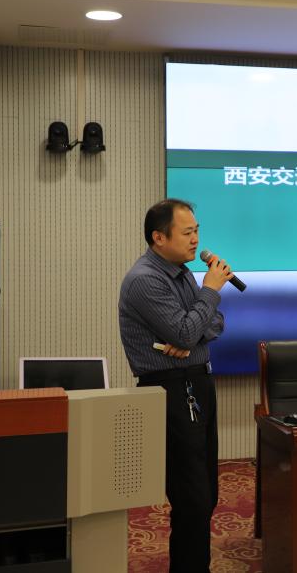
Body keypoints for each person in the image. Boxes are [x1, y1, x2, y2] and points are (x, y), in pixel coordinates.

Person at [119, 198, 233, 573]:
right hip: (170, 390)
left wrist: (189, 334)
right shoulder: (145, 280)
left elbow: (213, 325)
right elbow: (187, 329)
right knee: (191, 497)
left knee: (206, 493)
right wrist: (209, 292)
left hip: (197, 384)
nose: (195, 239)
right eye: (187, 232)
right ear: (159, 237)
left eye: (196, 231)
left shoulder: (182, 273)